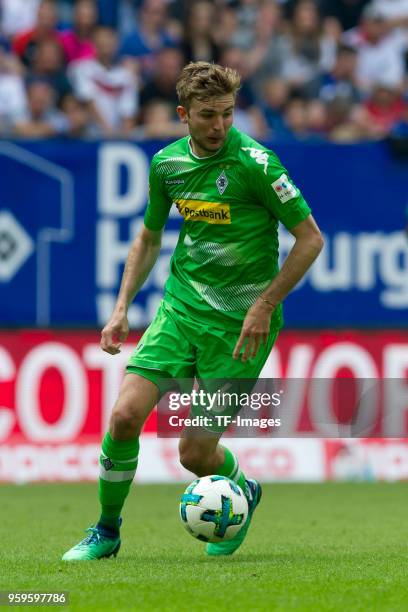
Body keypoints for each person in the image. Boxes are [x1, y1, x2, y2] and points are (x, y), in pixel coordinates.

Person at [62, 61, 324, 561]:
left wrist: (266, 304)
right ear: (184, 115)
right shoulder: (167, 165)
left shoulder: (258, 164)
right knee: (123, 418)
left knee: (194, 454)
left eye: (227, 114)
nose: (219, 125)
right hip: (181, 309)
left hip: (241, 327)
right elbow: (149, 235)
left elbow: (311, 240)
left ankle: (242, 487)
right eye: (207, 115)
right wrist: (120, 309)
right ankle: (106, 531)